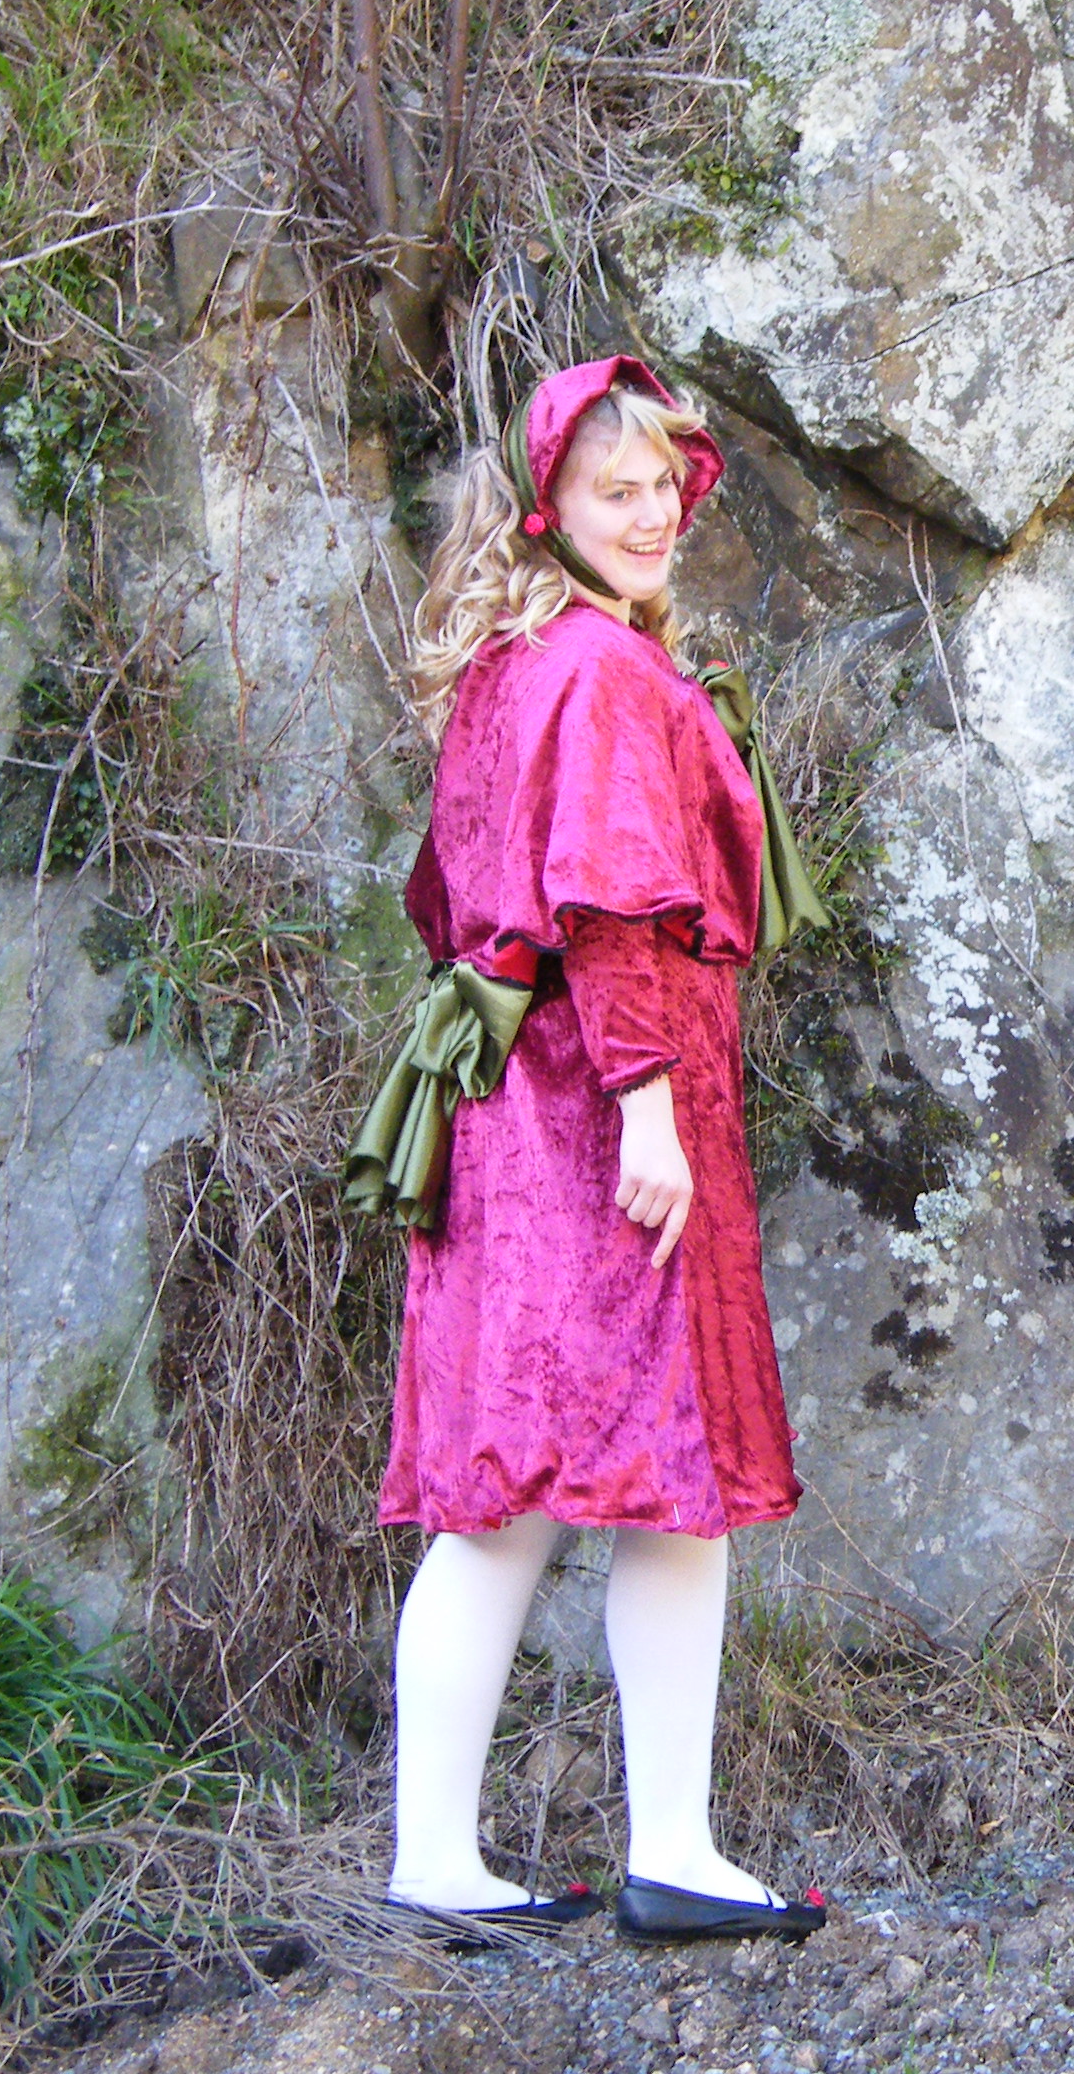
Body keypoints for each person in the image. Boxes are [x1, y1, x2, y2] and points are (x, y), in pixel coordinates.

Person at [373, 355, 826, 1945]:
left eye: (661, 490)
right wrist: (647, 1107)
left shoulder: (509, 664)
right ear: (545, 506)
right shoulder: (605, 671)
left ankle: (442, 1859)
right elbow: (615, 901)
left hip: (511, 1116)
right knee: (668, 1481)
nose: (648, 518)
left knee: (505, 1498)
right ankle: (673, 1851)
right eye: (610, 491)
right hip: (600, 1113)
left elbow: (453, 902)